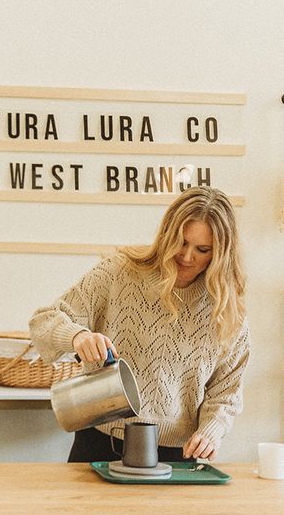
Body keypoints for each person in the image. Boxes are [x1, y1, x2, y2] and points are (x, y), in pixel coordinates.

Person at [29, 186, 250, 463]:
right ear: (166, 234)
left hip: (176, 457)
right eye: (181, 242)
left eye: (202, 249)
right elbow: (43, 321)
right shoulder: (119, 272)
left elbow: (226, 391)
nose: (187, 256)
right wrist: (77, 337)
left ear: (220, 253)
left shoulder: (226, 310)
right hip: (101, 445)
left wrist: (211, 431)